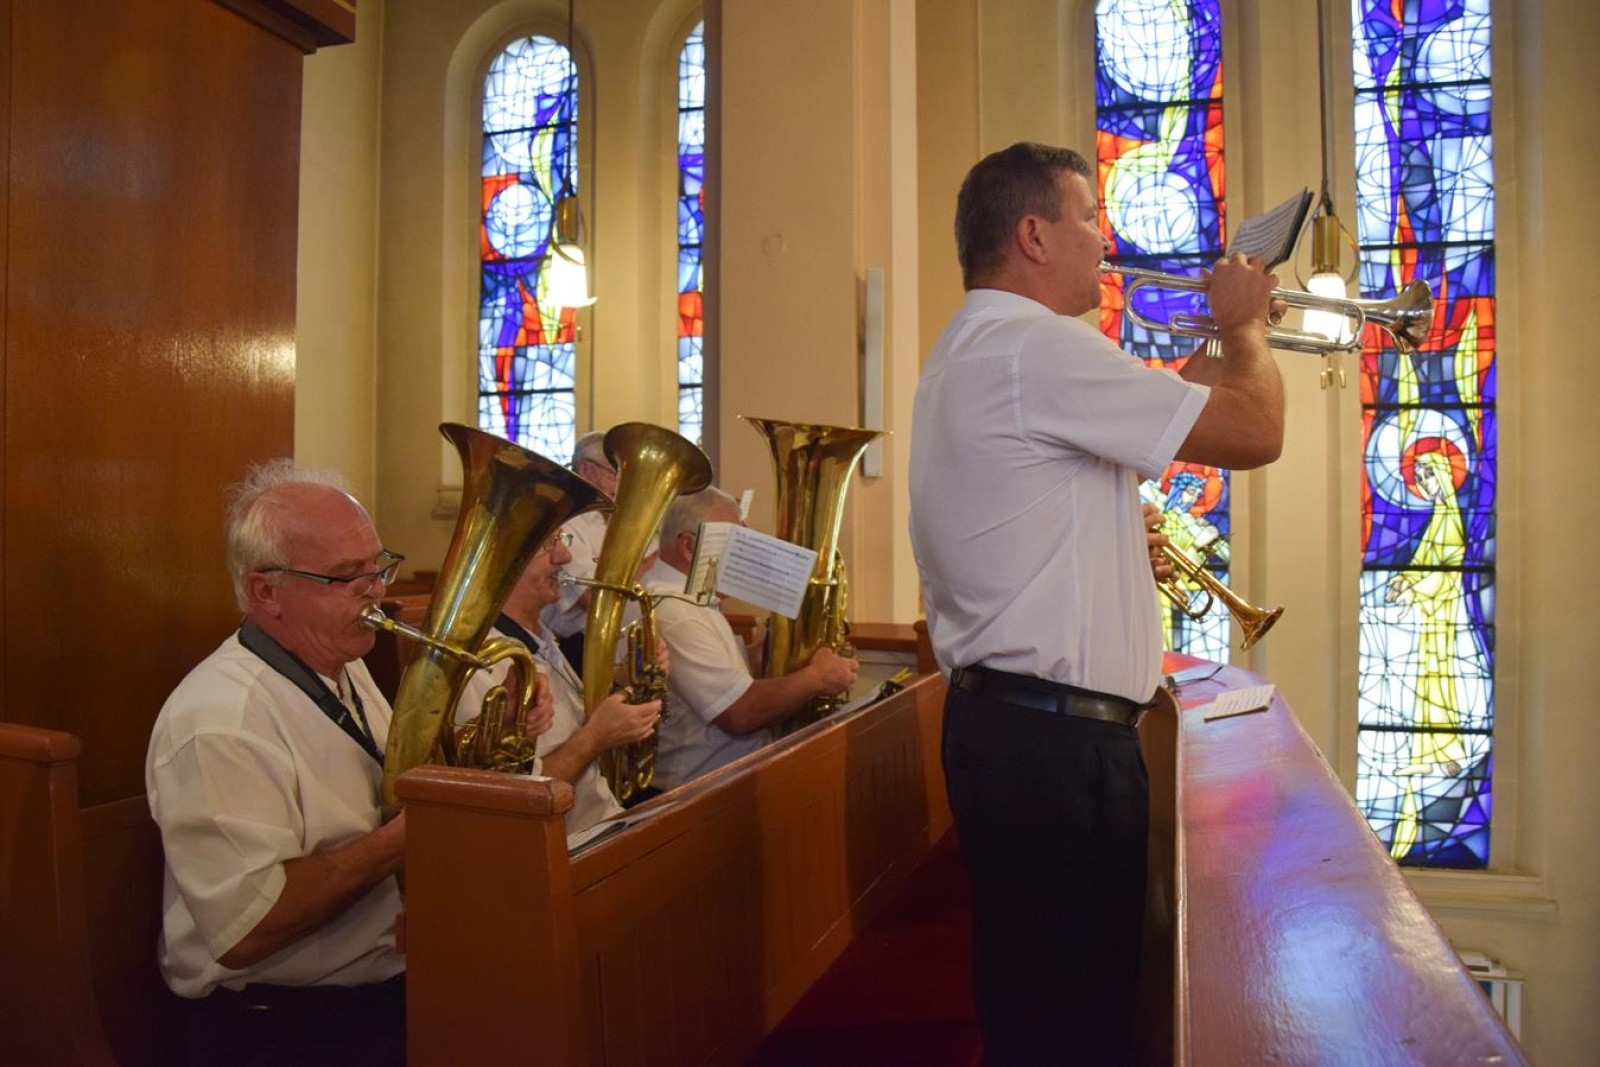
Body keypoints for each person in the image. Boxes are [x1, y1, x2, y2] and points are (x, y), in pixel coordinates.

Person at [908, 142, 1284, 1066]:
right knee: (1073, 1026)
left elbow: (1156, 400)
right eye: (1088, 217)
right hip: (1058, 753)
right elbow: (1257, 428)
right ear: (1034, 235)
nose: (1104, 239)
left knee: (1040, 1010)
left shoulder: (986, 345)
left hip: (1015, 733)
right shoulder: (1038, 346)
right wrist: (1247, 331)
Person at [145, 461, 551, 1067]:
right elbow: (248, 928)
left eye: (376, 567)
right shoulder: (221, 720)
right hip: (282, 1026)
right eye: (345, 577)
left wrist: (487, 737)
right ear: (266, 591)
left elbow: (379, 781)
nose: (377, 591)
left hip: (378, 989)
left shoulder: (342, 665)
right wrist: (417, 832)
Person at [641, 486, 859, 790]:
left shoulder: (692, 600)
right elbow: (739, 713)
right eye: (736, 543)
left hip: (723, 782)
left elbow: (735, 674)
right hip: (698, 795)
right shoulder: (675, 611)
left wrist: (784, 629)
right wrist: (817, 678)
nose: (745, 555)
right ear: (690, 547)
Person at [456, 524, 663, 838]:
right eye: (547, 544)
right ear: (501, 557)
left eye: (561, 541)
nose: (564, 556)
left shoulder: (539, 637)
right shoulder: (475, 661)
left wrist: (624, 684)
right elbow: (509, 799)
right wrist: (595, 737)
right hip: (564, 853)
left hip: (604, 828)